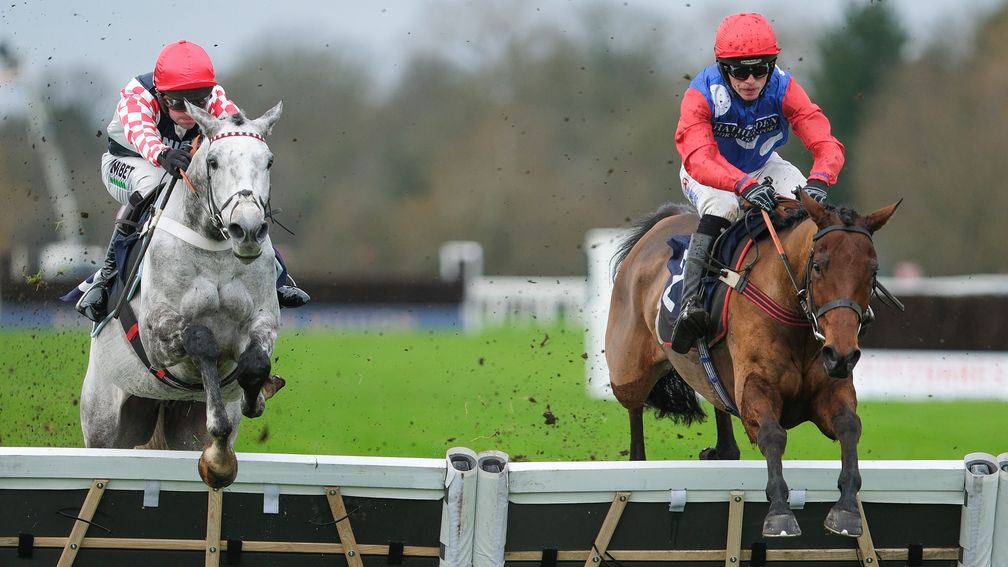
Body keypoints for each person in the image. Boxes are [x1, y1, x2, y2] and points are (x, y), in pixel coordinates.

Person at [76, 39, 309, 322]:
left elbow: (237, 132)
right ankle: (105, 277)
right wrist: (163, 154)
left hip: (179, 162)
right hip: (127, 163)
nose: (189, 112)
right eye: (178, 104)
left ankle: (276, 275)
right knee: (154, 185)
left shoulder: (217, 97)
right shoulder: (137, 96)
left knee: (235, 195)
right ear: (161, 96)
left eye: (199, 101)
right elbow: (141, 134)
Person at [668, 12, 845, 354]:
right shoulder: (701, 95)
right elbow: (700, 158)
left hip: (765, 165)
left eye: (759, 69)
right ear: (723, 68)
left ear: (771, 65)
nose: (750, 79)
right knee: (724, 206)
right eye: (739, 70)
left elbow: (825, 141)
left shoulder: (784, 87)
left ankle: (825, 298)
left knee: (810, 210)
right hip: (707, 171)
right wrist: (742, 185)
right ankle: (690, 305)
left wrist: (821, 179)